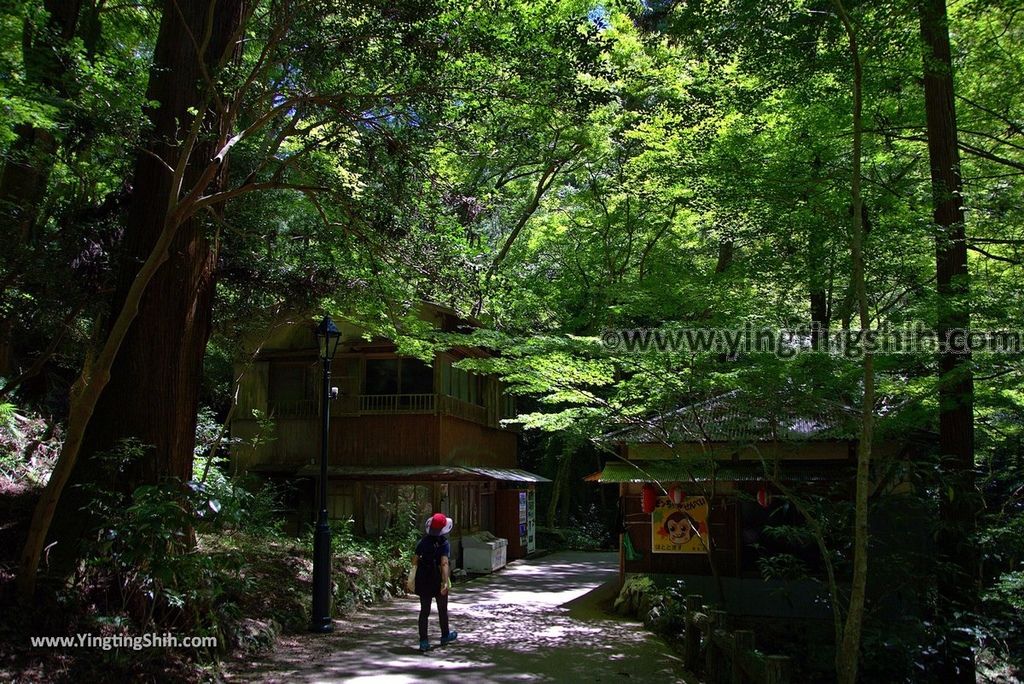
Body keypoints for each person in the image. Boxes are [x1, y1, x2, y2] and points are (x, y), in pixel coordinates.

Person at [411, 513, 458, 652]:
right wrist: (445, 582)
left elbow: (414, 559)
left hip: (423, 578)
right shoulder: (444, 543)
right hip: (437, 578)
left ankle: (423, 641)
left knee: (424, 611)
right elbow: (444, 563)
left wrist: (412, 577)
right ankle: (445, 636)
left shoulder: (422, 542)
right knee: (442, 609)